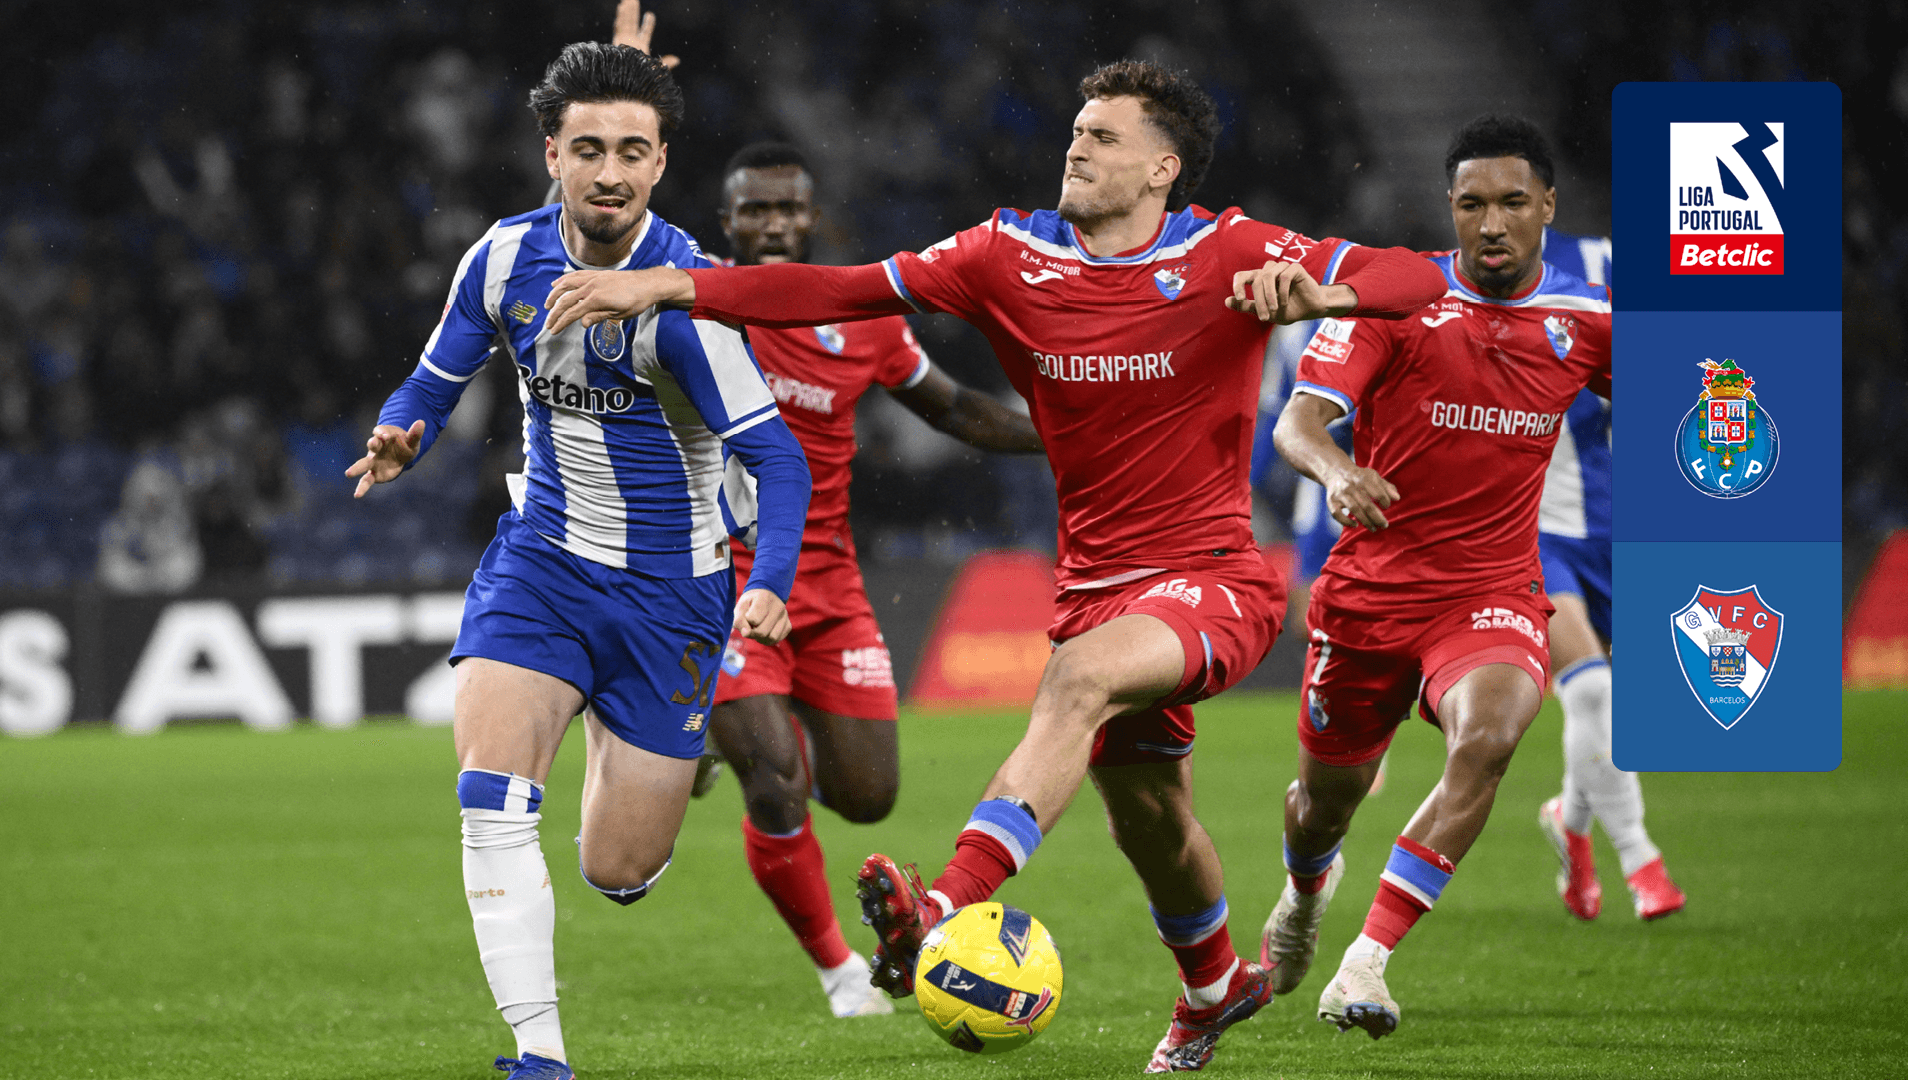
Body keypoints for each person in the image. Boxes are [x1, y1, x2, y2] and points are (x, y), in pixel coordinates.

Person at [543, 60, 1445, 1071]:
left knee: (1079, 681)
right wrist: (673, 283)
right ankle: (1212, 987)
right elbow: (839, 288)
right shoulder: (1005, 256)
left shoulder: (1231, 250)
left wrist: (1328, 291)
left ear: (1163, 167)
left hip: (1216, 579)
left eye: (1104, 135)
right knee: (1151, 820)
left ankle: (941, 907)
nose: (1077, 145)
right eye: (1077, 129)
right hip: (1092, 586)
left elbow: (1420, 277)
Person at [345, 43, 810, 1080]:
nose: (610, 172)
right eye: (588, 149)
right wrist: (403, 433)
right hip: (543, 563)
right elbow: (432, 381)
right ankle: (539, 1054)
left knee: (618, 869)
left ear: (661, 164)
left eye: (633, 152)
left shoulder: (687, 302)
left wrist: (770, 584)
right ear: (550, 155)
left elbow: (779, 461)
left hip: (672, 596)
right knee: (491, 802)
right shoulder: (502, 260)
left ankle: (644, 742)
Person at [1261, 114, 1610, 1040]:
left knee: (1489, 737)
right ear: (1449, 207)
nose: (1491, 224)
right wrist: (1338, 473)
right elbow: (1297, 423)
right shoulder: (1397, 301)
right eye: (1471, 204)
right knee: (1322, 807)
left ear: (1548, 206)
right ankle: (1305, 894)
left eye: (1512, 203)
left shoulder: (1586, 323)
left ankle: (1366, 962)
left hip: (1491, 592)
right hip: (1371, 597)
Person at [700, 139, 1044, 1019]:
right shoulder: (697, 303)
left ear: (812, 219)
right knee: (775, 780)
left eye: (787, 208)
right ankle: (840, 970)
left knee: (868, 796)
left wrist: (1063, 436)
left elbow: (951, 406)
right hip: (723, 578)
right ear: (727, 221)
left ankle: (719, 735)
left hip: (830, 583)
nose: (772, 224)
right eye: (754, 209)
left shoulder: (864, 320)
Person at [1533, 228, 1687, 922]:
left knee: (1612, 704)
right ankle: (1640, 860)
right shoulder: (1469, 287)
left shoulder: (1603, 268)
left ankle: (1570, 819)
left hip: (1615, 528)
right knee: (1592, 688)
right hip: (1532, 535)